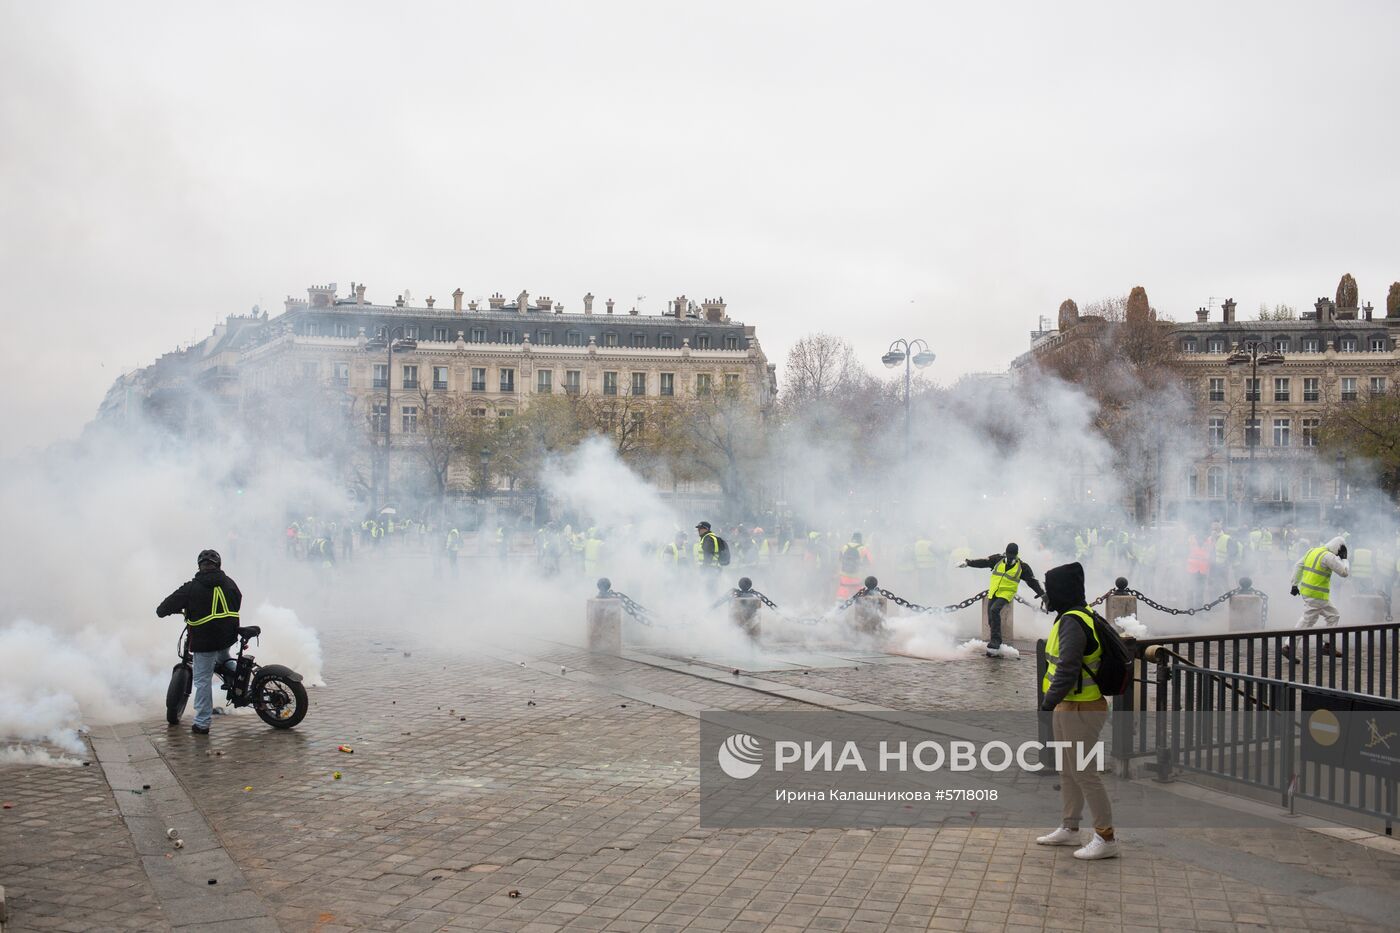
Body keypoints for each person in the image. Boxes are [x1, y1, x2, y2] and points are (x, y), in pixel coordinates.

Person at [1036, 561, 1119, 860]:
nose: (1047, 595)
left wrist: (1047, 703)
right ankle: (1070, 828)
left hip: (1081, 707)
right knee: (1068, 770)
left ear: (1062, 591)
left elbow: (1068, 667)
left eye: (1050, 590)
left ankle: (1105, 837)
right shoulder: (1075, 615)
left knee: (1084, 772)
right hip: (1069, 704)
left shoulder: (1073, 621)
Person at [156, 550, 242, 735]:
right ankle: (242, 687)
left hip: (205, 640)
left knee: (202, 680)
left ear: (200, 566)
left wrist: (169, 610)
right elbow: (238, 599)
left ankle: (202, 723)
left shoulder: (192, 587)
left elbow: (162, 608)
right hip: (227, 636)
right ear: (218, 565)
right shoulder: (229, 582)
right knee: (225, 659)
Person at [962, 542, 1045, 656]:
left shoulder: (1022, 567)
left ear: (1016, 555)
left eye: (1012, 555)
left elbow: (1032, 582)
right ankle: (995, 647)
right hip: (994, 592)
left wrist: (1042, 594)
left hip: (1006, 593)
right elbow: (983, 562)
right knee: (991, 618)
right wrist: (968, 563)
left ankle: (996, 642)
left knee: (994, 610)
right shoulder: (998, 560)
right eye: (1008, 555)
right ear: (1005, 553)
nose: (1010, 557)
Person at [1283, 535, 1350, 660]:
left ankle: (1328, 645)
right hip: (1317, 595)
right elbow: (1344, 572)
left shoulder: (1312, 551)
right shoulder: (1329, 557)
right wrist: (1345, 559)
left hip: (1309, 592)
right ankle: (1288, 647)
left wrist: (1294, 584)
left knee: (1333, 616)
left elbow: (1298, 565)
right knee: (1307, 621)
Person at [836, 532, 872, 600]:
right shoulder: (863, 549)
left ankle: (837, 608)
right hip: (857, 578)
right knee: (859, 599)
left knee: (841, 599)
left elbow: (839, 560)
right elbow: (869, 563)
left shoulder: (844, 547)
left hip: (844, 577)